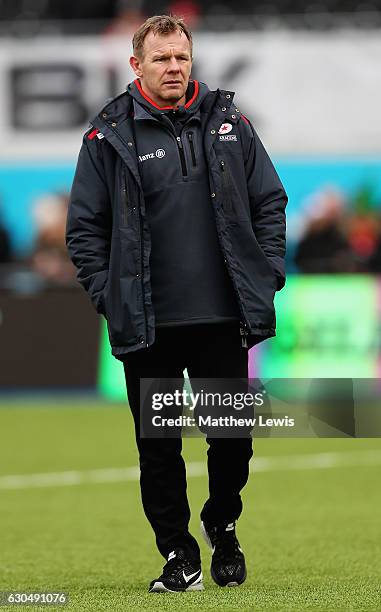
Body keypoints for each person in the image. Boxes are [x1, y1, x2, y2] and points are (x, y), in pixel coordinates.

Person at [66, 14, 287, 593]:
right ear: (136, 65)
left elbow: (270, 201)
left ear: (192, 61)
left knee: (232, 440)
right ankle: (178, 554)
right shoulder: (106, 135)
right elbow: (84, 230)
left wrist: (267, 274)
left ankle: (223, 524)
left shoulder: (230, 122)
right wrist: (107, 295)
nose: (174, 68)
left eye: (181, 58)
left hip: (222, 318)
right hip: (150, 324)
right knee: (159, 449)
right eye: (161, 58)